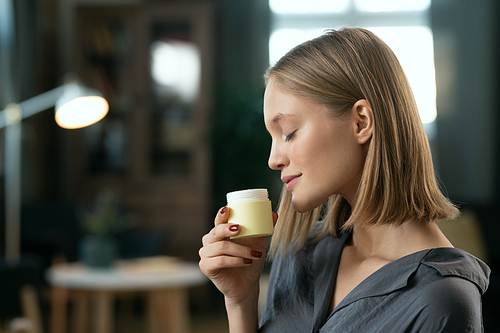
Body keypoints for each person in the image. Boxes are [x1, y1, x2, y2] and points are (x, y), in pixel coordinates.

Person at [199, 27, 490, 332]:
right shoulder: (300, 253)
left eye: (289, 133)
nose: (274, 160)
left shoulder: (441, 303)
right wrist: (240, 300)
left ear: (361, 122)